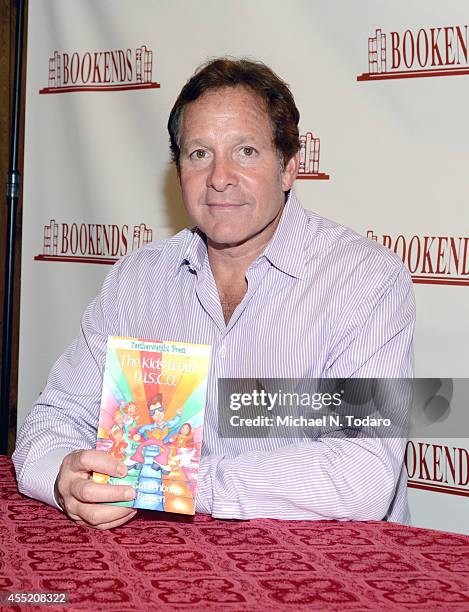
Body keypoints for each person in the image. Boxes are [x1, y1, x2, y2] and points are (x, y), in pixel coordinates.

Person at [13, 57, 415, 530]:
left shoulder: (365, 281)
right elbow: (51, 421)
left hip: (325, 575)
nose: (220, 177)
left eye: (245, 151)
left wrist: (180, 483)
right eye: (199, 154)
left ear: (289, 168)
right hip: (167, 566)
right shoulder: (137, 281)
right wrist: (67, 476)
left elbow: (363, 473)